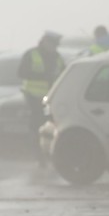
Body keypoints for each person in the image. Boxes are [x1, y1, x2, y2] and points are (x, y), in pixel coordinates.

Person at [18, 31, 66, 165]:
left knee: (52, 125)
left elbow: (64, 74)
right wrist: (43, 76)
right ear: (45, 42)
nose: (55, 47)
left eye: (56, 45)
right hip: (33, 97)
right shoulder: (31, 54)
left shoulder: (57, 57)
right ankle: (38, 155)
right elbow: (21, 72)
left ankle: (51, 153)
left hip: (52, 97)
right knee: (37, 126)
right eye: (53, 44)